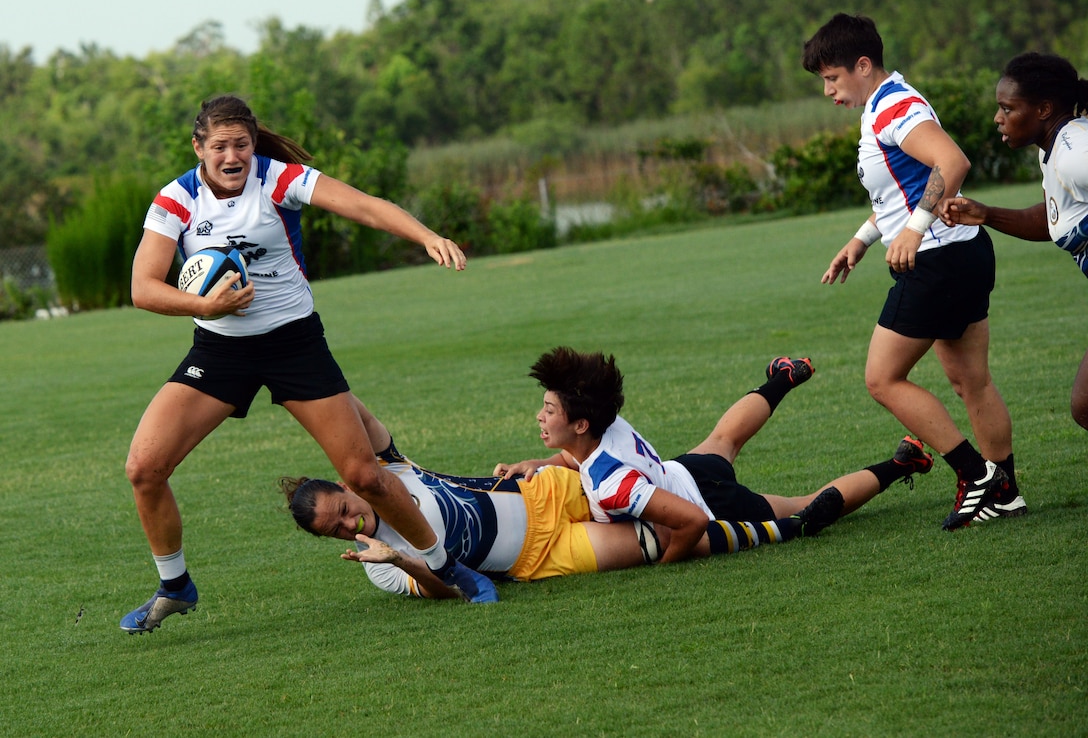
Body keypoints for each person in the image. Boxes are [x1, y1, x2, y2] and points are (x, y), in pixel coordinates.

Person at [120, 94, 497, 634]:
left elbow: (364, 205)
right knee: (144, 468)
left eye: (241, 145)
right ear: (199, 147)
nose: (232, 156)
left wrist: (427, 236)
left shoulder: (279, 180)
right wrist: (206, 306)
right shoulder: (176, 201)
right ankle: (175, 586)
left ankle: (446, 566)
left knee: (363, 475)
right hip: (219, 350)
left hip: (294, 343)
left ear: (253, 144)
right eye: (220, 146)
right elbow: (142, 288)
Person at [281, 402, 923, 597]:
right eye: (335, 530)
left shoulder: (387, 474)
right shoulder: (380, 569)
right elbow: (459, 589)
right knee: (666, 542)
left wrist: (309, 385)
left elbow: (353, 412)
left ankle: (788, 517)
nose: (350, 522)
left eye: (342, 507)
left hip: (542, 490)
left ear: (345, 483)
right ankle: (887, 469)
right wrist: (400, 563)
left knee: (714, 482)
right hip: (543, 552)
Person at [800, 13, 1024, 530]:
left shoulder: (894, 106)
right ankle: (1005, 493)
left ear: (862, 65)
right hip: (962, 251)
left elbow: (952, 161)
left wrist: (916, 228)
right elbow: (901, 190)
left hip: (938, 260)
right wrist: (862, 239)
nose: (829, 91)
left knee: (882, 378)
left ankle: (978, 477)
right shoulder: (883, 104)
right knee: (970, 379)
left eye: (832, 78)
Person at [493, 349, 936, 563]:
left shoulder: (611, 485)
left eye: (549, 410)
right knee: (724, 437)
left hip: (714, 505)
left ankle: (903, 462)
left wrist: (668, 566)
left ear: (581, 424)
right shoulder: (605, 428)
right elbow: (582, 461)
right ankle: (782, 377)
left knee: (802, 507)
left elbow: (691, 522)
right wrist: (538, 464)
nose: (540, 416)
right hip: (686, 470)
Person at [939, 52, 1088, 438]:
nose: (998, 118)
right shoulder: (1053, 149)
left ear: (1043, 109)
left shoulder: (1075, 154)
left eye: (1008, 108)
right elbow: (1053, 220)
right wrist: (986, 213)